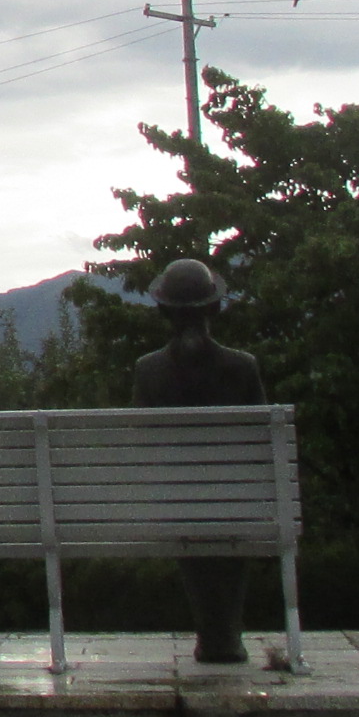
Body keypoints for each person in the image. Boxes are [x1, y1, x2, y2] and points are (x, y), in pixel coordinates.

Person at [131, 255, 266, 666]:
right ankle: (223, 637)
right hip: (237, 505)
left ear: (161, 310)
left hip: (172, 505)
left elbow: (141, 449)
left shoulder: (148, 371)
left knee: (189, 504)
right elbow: (260, 448)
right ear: (215, 307)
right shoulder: (242, 368)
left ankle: (215, 635)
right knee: (224, 503)